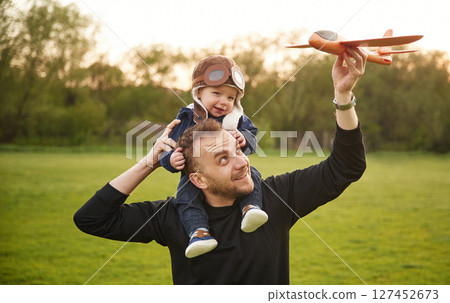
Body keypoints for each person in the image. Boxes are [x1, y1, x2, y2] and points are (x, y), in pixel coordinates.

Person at [74, 47, 368, 284]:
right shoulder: (174, 217)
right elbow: (91, 219)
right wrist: (149, 162)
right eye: (223, 159)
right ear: (198, 179)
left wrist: (343, 97)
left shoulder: (274, 200)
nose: (241, 163)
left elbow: (347, 166)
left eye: (237, 151)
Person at [159, 55, 268, 258]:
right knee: (185, 198)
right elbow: (168, 148)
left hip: (232, 171)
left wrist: (244, 138)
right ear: (199, 92)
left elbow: (253, 138)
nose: (223, 101)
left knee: (253, 175)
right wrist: (171, 160)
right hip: (195, 175)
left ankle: (251, 208)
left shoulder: (236, 119)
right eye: (217, 93)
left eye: (230, 97)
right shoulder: (187, 117)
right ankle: (199, 233)